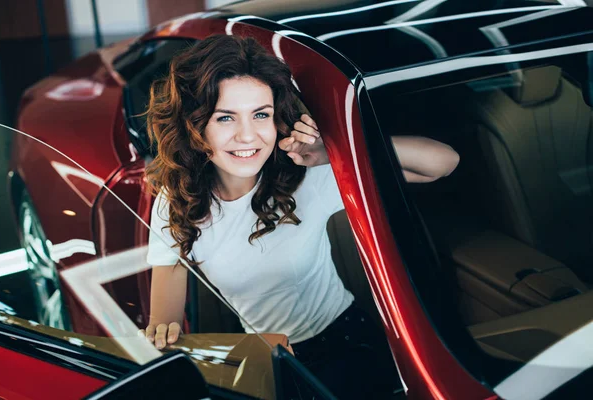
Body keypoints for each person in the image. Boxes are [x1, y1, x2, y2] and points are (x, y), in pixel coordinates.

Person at [143, 34, 459, 398]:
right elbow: (165, 328)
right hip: (267, 357)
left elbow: (443, 163)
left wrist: (333, 150)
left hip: (348, 342)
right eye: (225, 117)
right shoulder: (175, 201)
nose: (248, 136)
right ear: (194, 124)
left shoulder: (306, 174)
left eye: (261, 114)